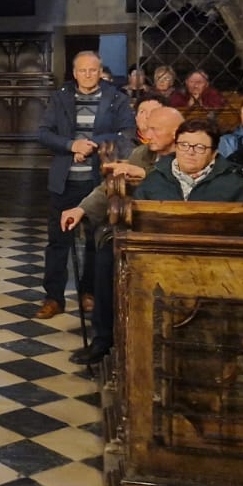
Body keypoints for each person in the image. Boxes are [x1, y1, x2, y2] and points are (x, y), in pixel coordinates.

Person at [57, 105, 184, 366]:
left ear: (175, 133)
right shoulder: (141, 153)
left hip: (174, 233)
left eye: (156, 129)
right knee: (106, 255)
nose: (148, 134)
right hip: (137, 228)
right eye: (147, 128)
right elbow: (109, 188)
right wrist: (81, 209)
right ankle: (103, 339)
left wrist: (145, 175)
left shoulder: (188, 154)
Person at [33, 52, 132, 320]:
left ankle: (89, 293)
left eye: (93, 70)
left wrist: (91, 145)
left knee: (95, 242)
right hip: (65, 181)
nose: (88, 75)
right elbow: (43, 133)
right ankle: (53, 298)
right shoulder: (60, 97)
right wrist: (71, 145)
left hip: (97, 181)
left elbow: (126, 134)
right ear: (74, 73)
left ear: (100, 72)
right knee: (57, 242)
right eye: (83, 70)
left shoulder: (117, 98)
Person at [134, 119, 243, 203]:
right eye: (184, 145)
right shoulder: (154, 180)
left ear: (214, 153)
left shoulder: (235, 185)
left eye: (200, 147)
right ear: (176, 147)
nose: (190, 152)